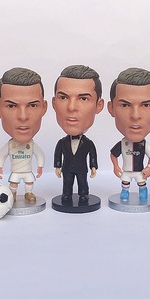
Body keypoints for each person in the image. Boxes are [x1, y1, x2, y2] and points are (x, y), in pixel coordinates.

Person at [0, 68, 47, 203]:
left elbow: (39, 154)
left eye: (32, 105)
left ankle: (28, 193)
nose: (23, 117)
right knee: (14, 183)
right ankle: (13, 194)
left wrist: (40, 166)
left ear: (44, 108)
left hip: (27, 170)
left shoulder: (32, 145)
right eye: (12, 106)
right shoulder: (10, 145)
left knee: (29, 182)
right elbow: (1, 155)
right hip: (15, 171)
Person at [107, 68, 150, 201]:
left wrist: (149, 167)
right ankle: (125, 193)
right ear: (111, 108)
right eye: (125, 105)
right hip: (126, 171)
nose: (135, 116)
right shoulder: (122, 143)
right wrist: (115, 166)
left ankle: (143, 192)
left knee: (141, 183)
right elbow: (113, 154)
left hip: (140, 171)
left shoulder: (144, 145)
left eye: (146, 105)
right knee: (125, 183)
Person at [52, 65, 104, 205]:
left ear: (99, 105)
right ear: (54, 103)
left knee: (83, 183)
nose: (71, 107)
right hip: (67, 169)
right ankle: (66, 195)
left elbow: (92, 155)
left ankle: (83, 195)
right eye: (63, 97)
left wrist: (93, 166)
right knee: (67, 183)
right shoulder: (62, 142)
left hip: (82, 169)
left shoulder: (88, 143)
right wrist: (57, 166)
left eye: (83, 99)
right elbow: (58, 154)